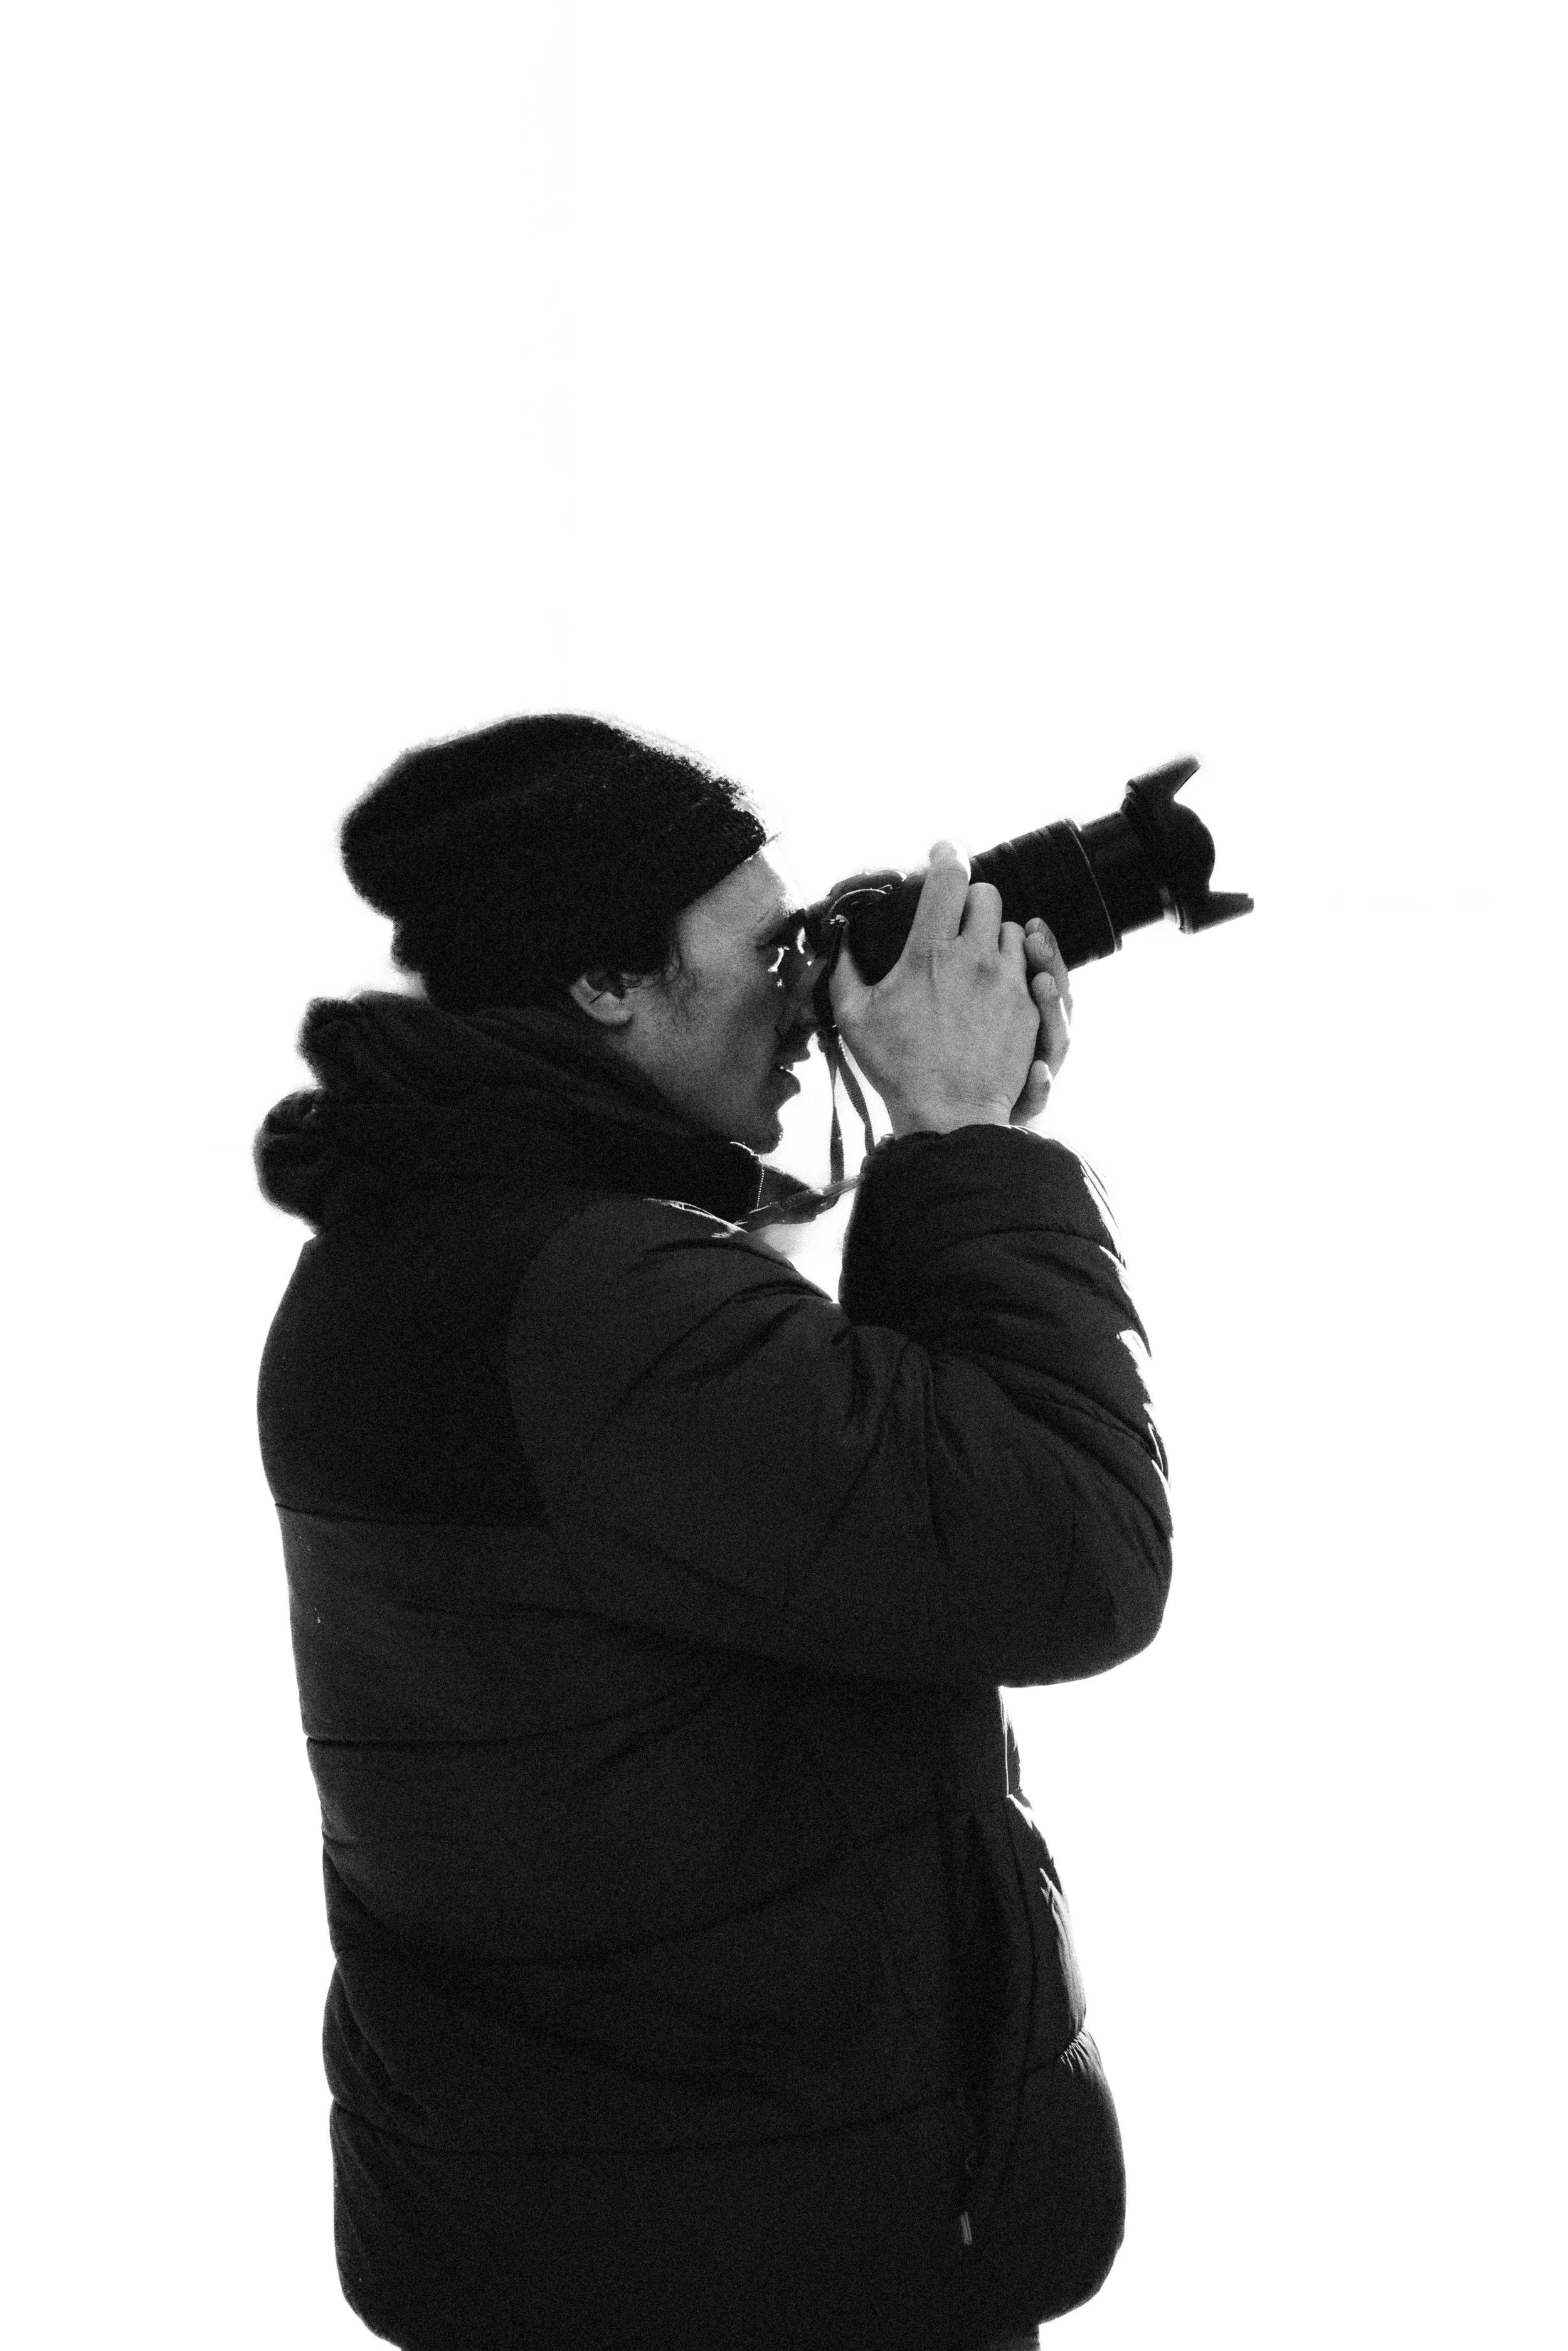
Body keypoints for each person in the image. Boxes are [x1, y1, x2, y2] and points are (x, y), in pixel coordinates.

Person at [254, 713, 1173, 2351]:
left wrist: (938, 1170)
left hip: (590, 2211)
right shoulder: (586, 1295)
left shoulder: (429, 1246)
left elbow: (850, 1505)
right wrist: (966, 1153)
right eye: (764, 951)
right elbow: (1062, 1556)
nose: (803, 994)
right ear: (607, 981)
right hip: (762, 2261)